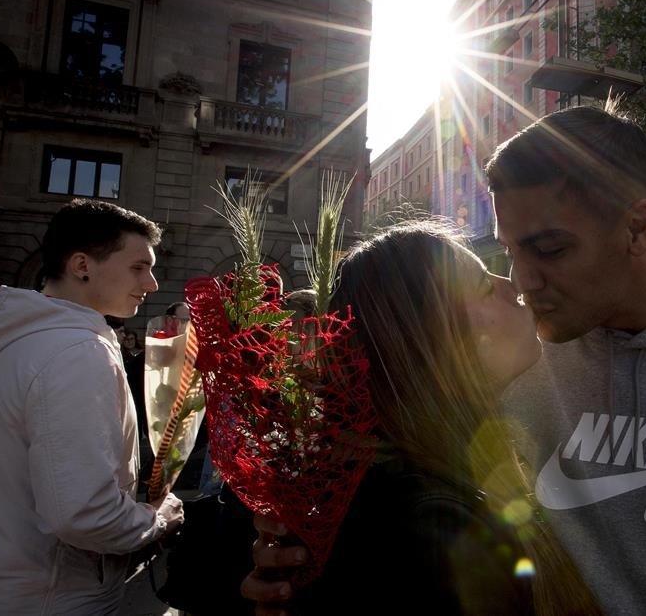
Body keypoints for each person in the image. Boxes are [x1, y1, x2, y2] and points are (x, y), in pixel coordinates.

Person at [249, 104, 646, 614]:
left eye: (551, 250)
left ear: (637, 228)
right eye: (510, 254)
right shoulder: (511, 362)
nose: (524, 281)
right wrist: (280, 560)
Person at [241, 222, 598, 614]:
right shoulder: (436, 532)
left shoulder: (417, 486)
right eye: (482, 285)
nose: (513, 286)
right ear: (431, 340)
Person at [0, 199, 184, 615]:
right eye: (138, 267)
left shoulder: (27, 338)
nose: (152, 283)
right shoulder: (75, 350)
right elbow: (84, 514)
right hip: (43, 596)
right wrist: (157, 518)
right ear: (82, 265)